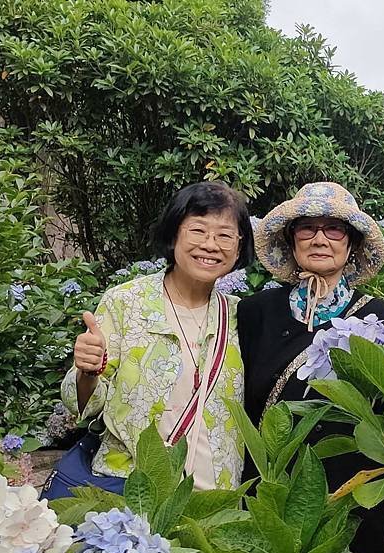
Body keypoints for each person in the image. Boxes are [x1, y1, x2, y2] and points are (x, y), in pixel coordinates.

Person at [237, 181, 384, 553]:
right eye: (307, 228)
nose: (320, 239)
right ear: (291, 240)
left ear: (351, 245)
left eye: (334, 229)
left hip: (351, 495)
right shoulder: (255, 312)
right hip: (272, 482)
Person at [62, 181, 254, 491]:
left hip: (215, 499)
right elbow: (82, 404)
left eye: (224, 235)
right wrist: (87, 372)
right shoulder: (125, 303)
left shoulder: (240, 315)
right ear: (174, 233)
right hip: (132, 492)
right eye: (198, 230)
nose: (210, 244)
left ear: (238, 246)